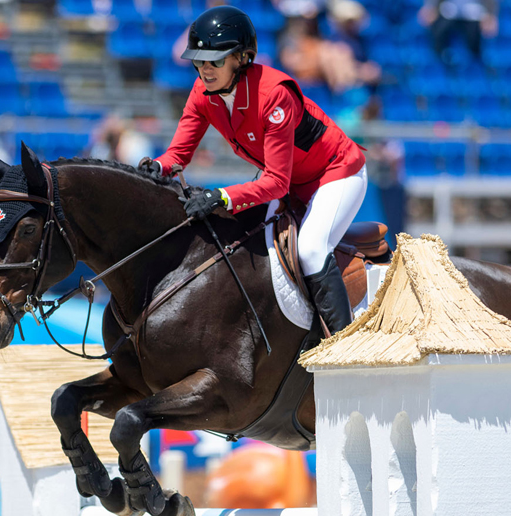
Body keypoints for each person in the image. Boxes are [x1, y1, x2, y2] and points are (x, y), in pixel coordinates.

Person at [139, 5, 367, 333]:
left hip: (336, 173)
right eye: (199, 60)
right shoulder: (203, 92)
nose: (205, 69)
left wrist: (220, 196)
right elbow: (178, 153)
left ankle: (344, 347)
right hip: (290, 181)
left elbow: (275, 182)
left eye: (215, 60)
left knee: (311, 248)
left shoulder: (274, 95)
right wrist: (157, 167)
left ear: (241, 58)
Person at [418, 0, 498, 65]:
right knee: (438, 30)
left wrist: (490, 14)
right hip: (448, 10)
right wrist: (431, 6)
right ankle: (439, 60)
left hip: (474, 13)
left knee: (475, 39)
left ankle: (476, 65)